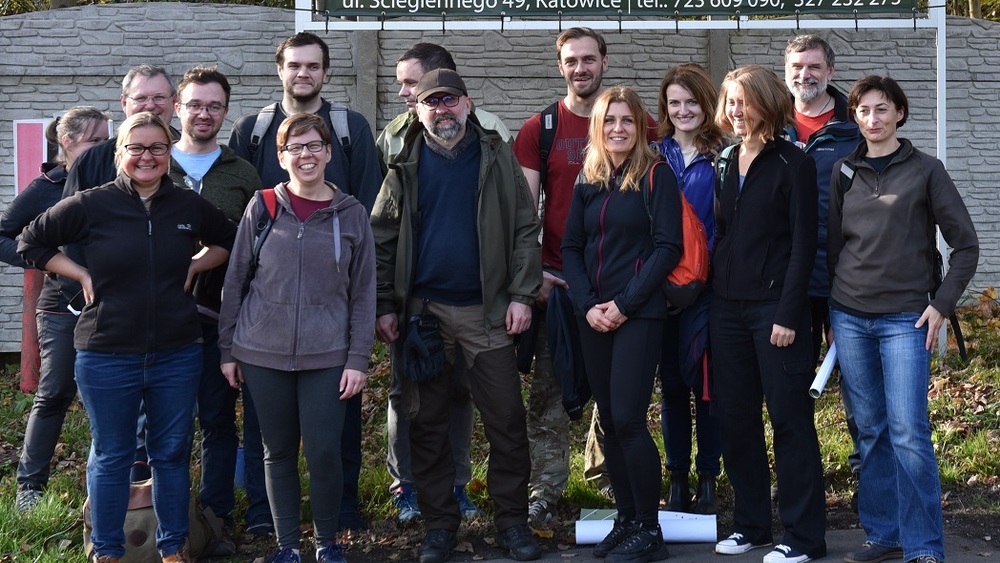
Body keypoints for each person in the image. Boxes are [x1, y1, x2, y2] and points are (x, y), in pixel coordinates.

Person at [18, 111, 236, 563]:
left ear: (168, 153)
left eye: (157, 148)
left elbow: (230, 241)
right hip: (106, 352)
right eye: (135, 148)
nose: (147, 156)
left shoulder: (187, 205)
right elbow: (29, 242)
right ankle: (108, 551)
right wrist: (77, 272)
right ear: (119, 154)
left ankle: (173, 547)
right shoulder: (90, 204)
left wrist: (195, 265)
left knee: (171, 454)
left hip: (177, 350)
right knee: (113, 456)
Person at [371, 68, 542, 563]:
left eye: (450, 101)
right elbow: (382, 238)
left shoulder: (496, 156)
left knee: (506, 420)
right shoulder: (404, 164)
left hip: (486, 313)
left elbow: (525, 229)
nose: (441, 110)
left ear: (467, 105)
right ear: (417, 111)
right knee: (426, 422)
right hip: (423, 315)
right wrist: (386, 305)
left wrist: (521, 296)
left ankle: (512, 523)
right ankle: (439, 525)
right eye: (431, 102)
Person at [228, 31, 383, 533]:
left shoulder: (350, 127)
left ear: (325, 72)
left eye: (312, 66)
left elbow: (371, 216)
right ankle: (264, 520)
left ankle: (339, 518)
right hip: (265, 324)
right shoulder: (252, 131)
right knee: (265, 435)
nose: (303, 74)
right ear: (280, 71)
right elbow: (243, 231)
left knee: (337, 434)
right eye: (294, 65)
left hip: (330, 321)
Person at [829, 75, 979, 563]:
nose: (873, 119)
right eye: (863, 110)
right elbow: (835, 247)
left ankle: (923, 546)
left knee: (909, 432)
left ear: (899, 113)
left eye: (882, 109)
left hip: (905, 321)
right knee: (869, 429)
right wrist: (832, 313)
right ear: (855, 117)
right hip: (849, 317)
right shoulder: (844, 172)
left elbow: (966, 247)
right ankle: (884, 535)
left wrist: (942, 303)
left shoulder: (926, 170)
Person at [710, 65, 826, 563]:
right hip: (726, 311)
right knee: (734, 421)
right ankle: (752, 525)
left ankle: (804, 538)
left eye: (746, 102)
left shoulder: (793, 163)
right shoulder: (727, 159)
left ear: (767, 104)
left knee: (790, 422)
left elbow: (805, 246)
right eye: (731, 102)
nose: (737, 111)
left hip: (776, 314)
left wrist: (788, 312)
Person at [561, 85, 681, 563]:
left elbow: (666, 248)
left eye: (627, 120)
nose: (617, 128)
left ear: (641, 127)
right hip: (593, 316)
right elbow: (571, 248)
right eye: (609, 120)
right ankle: (626, 518)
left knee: (630, 420)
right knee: (609, 420)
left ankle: (649, 530)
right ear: (598, 126)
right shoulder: (587, 180)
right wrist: (588, 304)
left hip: (638, 315)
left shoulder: (657, 175)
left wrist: (623, 305)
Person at [512, 27, 613, 523]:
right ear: (560, 66)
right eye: (572, 60)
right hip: (558, 285)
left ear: (604, 63)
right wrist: (535, 277)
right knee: (549, 396)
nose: (581, 68)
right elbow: (523, 214)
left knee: (615, 393)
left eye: (589, 59)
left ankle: (609, 480)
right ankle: (544, 492)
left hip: (616, 287)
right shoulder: (541, 128)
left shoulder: (630, 124)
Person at [168, 65, 262, 554]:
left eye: (215, 106)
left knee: (219, 422)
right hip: (157, 323)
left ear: (225, 112)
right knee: (165, 426)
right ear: (178, 108)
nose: (204, 113)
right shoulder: (154, 163)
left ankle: (215, 518)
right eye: (196, 104)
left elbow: (258, 251)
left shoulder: (242, 173)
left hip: (220, 321)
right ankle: (169, 518)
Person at [0, 106, 109, 513]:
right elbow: (4, 236)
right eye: (96, 141)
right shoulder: (48, 185)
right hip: (62, 306)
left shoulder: (114, 179)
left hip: (113, 305)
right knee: (55, 392)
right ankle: (30, 487)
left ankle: (112, 484)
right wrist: (52, 262)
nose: (106, 148)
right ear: (68, 143)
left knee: (118, 397)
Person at [783, 34, 862, 493]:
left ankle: (865, 479)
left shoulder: (858, 126)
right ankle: (799, 483)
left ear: (830, 72)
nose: (804, 76)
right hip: (790, 283)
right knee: (793, 392)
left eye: (813, 67)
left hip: (846, 280)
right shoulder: (771, 124)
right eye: (796, 67)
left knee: (858, 393)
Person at [653, 63, 725, 515]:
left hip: (709, 290)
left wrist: (703, 277)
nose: (683, 110)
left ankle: (709, 478)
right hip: (659, 292)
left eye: (691, 101)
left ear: (706, 103)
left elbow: (727, 222)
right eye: (674, 103)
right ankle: (676, 477)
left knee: (708, 390)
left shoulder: (724, 155)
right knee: (673, 389)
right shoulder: (652, 154)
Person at [63, 64, 179, 199]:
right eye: (140, 98)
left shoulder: (189, 156)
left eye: (159, 97)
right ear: (124, 103)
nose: (150, 106)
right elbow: (68, 218)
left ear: (174, 101)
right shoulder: (92, 161)